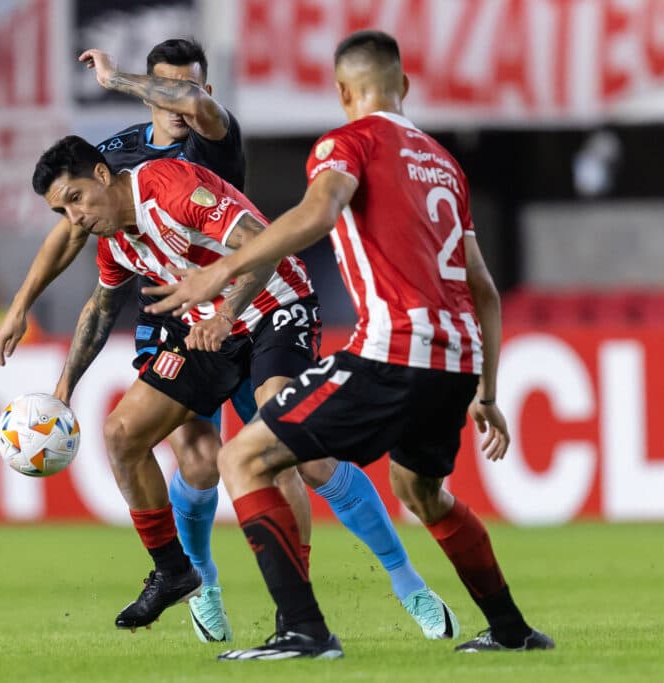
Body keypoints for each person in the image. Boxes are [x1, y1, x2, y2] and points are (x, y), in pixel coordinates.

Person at [144, 30, 555, 660]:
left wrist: (220, 272)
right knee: (421, 491)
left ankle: (303, 632)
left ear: (342, 92)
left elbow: (318, 213)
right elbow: (485, 289)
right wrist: (487, 392)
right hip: (456, 360)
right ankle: (511, 631)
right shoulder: (443, 163)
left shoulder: (347, 143)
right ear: (405, 87)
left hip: (393, 350)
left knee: (244, 459)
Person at [31, 133, 460, 643]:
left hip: (273, 308)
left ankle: (402, 582)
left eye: (76, 199)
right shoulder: (115, 239)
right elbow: (101, 309)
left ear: (101, 175)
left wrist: (229, 310)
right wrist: (62, 391)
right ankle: (177, 573)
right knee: (123, 434)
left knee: (300, 456)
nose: (75, 219)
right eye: (63, 212)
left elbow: (265, 243)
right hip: (206, 330)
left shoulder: (172, 190)